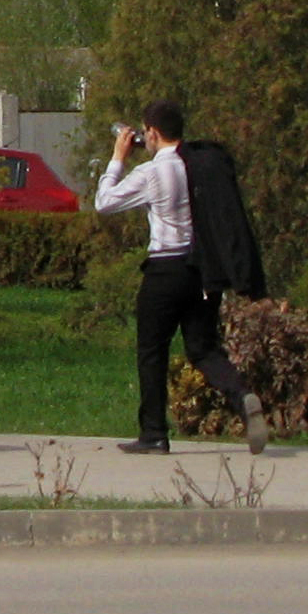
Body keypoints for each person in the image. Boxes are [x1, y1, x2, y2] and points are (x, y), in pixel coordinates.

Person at [89, 100, 267, 455]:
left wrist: (118, 158)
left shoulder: (154, 172)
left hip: (164, 271)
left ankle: (154, 433)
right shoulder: (199, 165)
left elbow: (104, 202)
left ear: (151, 133)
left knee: (152, 351)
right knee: (203, 348)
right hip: (202, 271)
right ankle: (242, 394)